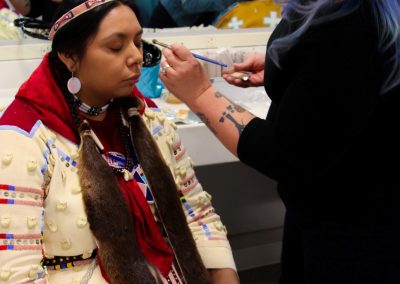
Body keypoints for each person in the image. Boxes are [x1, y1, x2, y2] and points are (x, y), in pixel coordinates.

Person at [158, 0, 400, 283]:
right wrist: (286, 66)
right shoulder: (330, 15)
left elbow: (286, 155)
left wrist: (199, 95)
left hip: (358, 229)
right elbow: (330, 73)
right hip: (327, 210)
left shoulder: (351, 24)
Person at [0, 0, 239, 283]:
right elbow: (16, 273)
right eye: (116, 47)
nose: (135, 57)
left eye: (138, 43)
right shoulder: (23, 139)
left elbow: (198, 216)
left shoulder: (148, 119)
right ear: (69, 56)